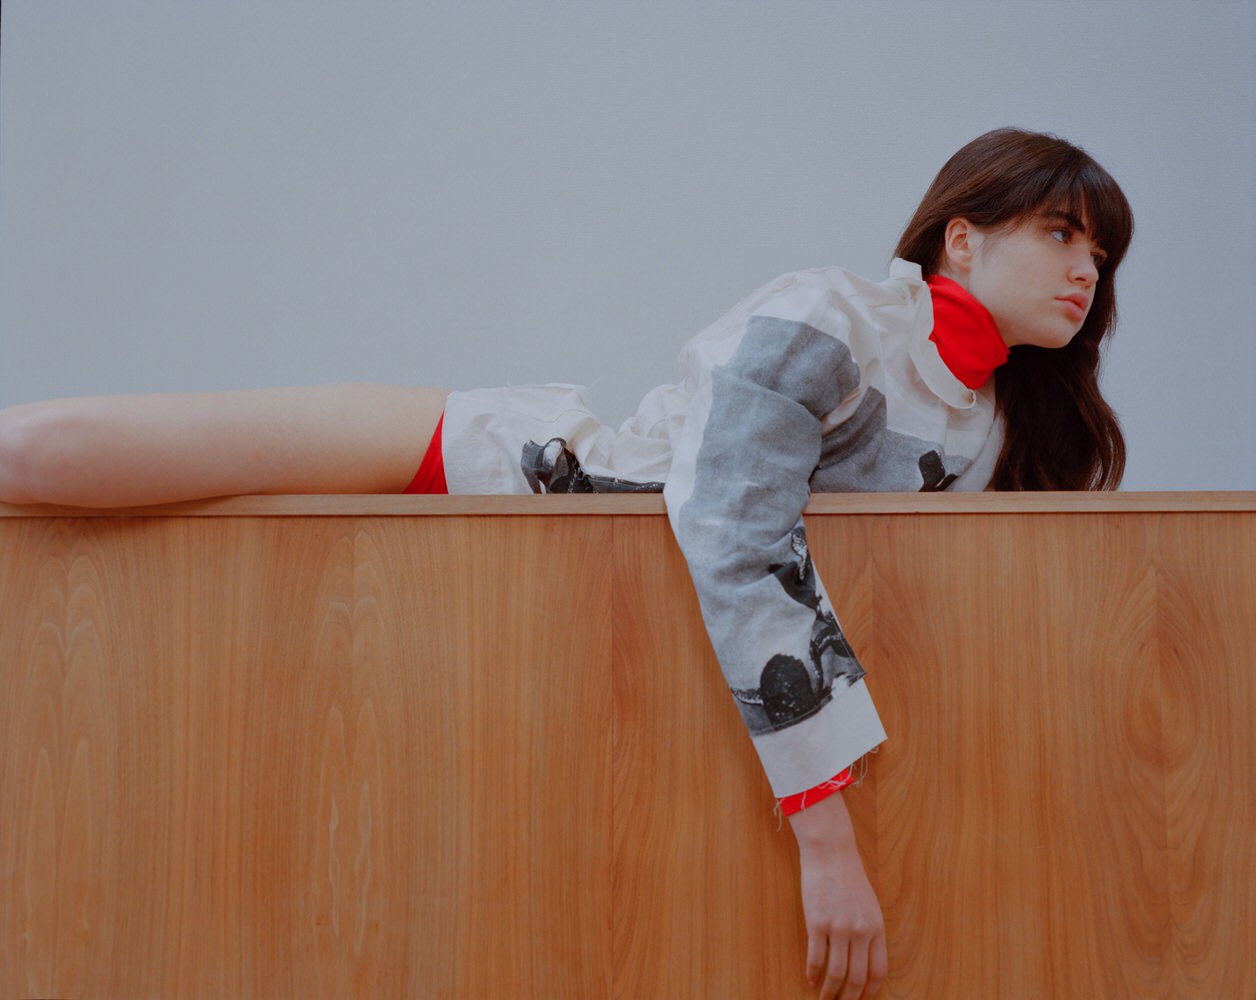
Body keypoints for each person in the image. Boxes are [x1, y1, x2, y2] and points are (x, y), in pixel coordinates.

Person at [0, 126, 1133, 1000]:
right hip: (501, 471)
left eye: (1098, 253)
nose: (1084, 271)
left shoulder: (998, 425)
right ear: (961, 239)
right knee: (65, 454)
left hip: (579, 609)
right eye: (1059, 234)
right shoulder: (829, 320)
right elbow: (738, 536)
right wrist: (825, 838)